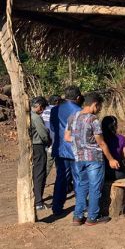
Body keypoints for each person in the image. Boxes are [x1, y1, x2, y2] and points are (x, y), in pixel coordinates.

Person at [65, 92, 119, 226]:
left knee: (82, 186)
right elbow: (101, 142)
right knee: (95, 187)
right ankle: (92, 217)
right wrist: (111, 159)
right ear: (95, 104)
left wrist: (80, 142)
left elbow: (66, 137)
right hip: (94, 158)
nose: (100, 109)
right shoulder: (93, 120)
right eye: (99, 106)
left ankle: (77, 217)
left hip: (79, 157)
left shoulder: (72, 117)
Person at [50, 86, 82, 216]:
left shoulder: (54, 110)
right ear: (78, 98)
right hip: (75, 148)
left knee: (61, 178)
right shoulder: (79, 111)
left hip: (59, 148)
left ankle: (57, 207)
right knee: (79, 178)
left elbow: (52, 128)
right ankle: (81, 207)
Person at [101, 116, 125, 211]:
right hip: (117, 172)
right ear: (115, 126)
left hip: (103, 172)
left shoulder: (100, 139)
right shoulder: (121, 138)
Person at [31, 96, 51, 211]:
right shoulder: (36, 117)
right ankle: (38, 202)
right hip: (38, 147)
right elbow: (43, 134)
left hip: (31, 147)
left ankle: (36, 199)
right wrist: (48, 141)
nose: (42, 111)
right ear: (38, 106)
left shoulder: (26, 115)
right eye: (42, 108)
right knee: (39, 173)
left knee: (34, 173)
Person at [42, 95, 61, 177]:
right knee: (54, 162)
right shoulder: (57, 111)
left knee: (46, 162)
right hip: (54, 141)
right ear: (57, 102)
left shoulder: (43, 110)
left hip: (44, 140)